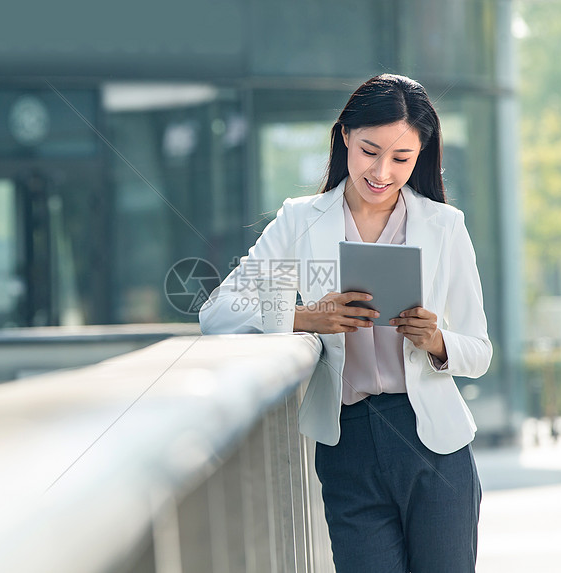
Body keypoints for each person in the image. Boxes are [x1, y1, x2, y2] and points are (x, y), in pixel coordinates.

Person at [199, 74, 492, 572]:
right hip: (348, 441)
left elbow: (479, 351)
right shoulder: (301, 220)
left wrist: (437, 340)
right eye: (369, 151)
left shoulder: (445, 225)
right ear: (344, 139)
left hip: (434, 445)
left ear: (421, 157)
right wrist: (306, 317)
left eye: (401, 159)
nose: (381, 171)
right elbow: (217, 313)